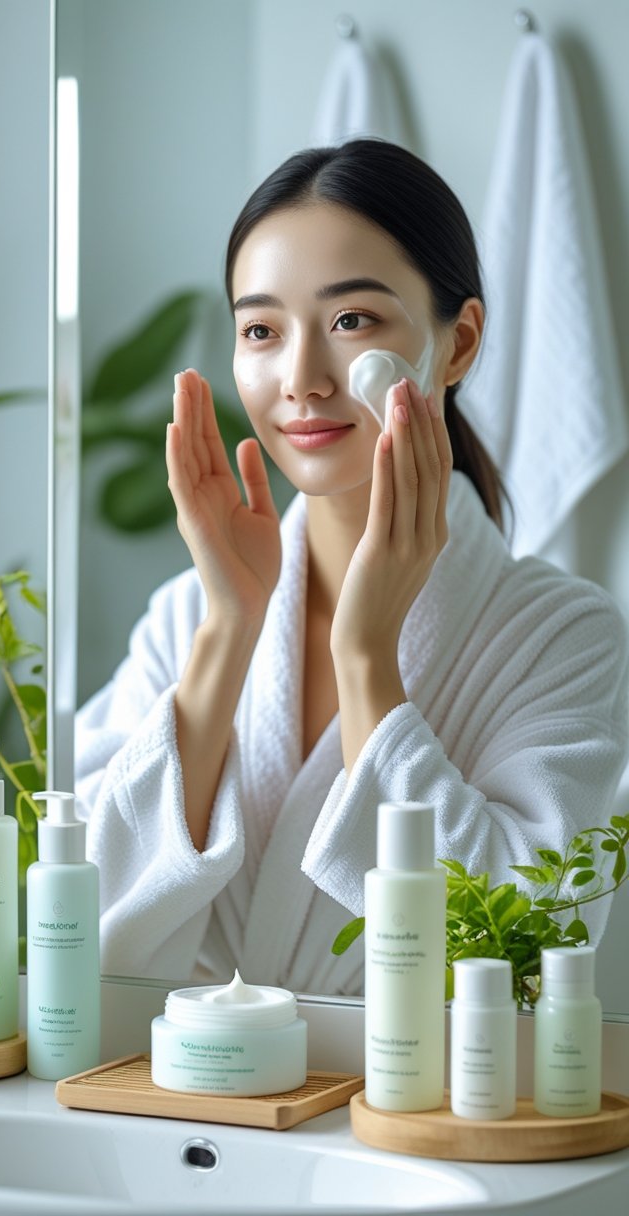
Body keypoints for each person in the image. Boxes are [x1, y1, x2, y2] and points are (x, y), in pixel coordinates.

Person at [76, 139, 629, 994]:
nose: (301, 379)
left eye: (351, 322)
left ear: (458, 343)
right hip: (182, 1081)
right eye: (261, 330)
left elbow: (524, 956)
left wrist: (368, 659)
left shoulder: (562, 636)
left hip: (408, 1087)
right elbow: (77, 927)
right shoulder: (185, 620)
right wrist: (229, 629)